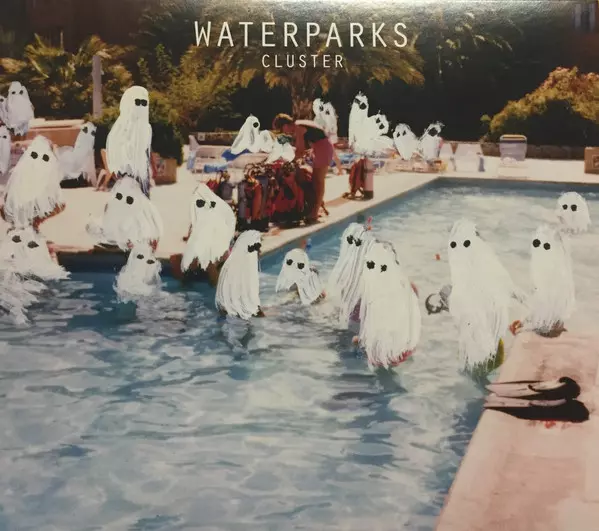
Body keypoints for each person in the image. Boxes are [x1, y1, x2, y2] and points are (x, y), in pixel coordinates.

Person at [272, 114, 333, 225]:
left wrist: (290, 162)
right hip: (320, 147)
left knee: (318, 182)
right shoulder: (299, 124)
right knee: (315, 181)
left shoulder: (298, 127)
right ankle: (314, 210)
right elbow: (302, 149)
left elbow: (299, 150)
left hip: (323, 148)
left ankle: (314, 214)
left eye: (282, 130)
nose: (285, 133)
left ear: (285, 125)